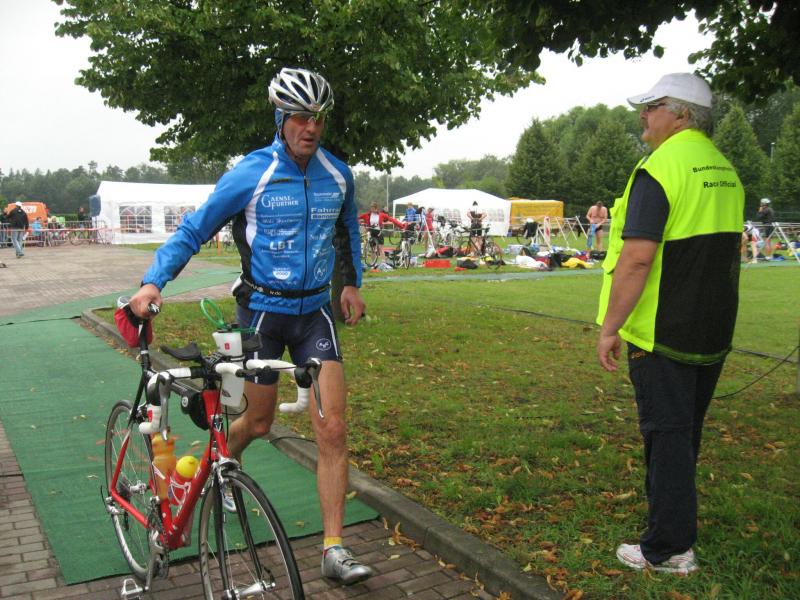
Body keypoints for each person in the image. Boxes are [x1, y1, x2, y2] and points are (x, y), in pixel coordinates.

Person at [128, 67, 373, 585]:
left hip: (315, 315)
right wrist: (153, 282)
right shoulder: (251, 173)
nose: (311, 127)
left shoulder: (338, 174)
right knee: (258, 422)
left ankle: (334, 549)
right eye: (301, 117)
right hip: (262, 314)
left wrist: (351, 283)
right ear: (281, 118)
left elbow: (347, 226)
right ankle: (219, 464)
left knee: (332, 429)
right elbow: (195, 229)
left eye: (319, 118)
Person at [596, 73, 743, 575]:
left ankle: (668, 547)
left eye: (653, 105)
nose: (643, 114)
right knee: (684, 435)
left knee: (667, 438)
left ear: (680, 114)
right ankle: (672, 528)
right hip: (712, 327)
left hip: (662, 330)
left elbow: (637, 258)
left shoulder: (660, 167)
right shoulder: (724, 168)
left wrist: (610, 327)